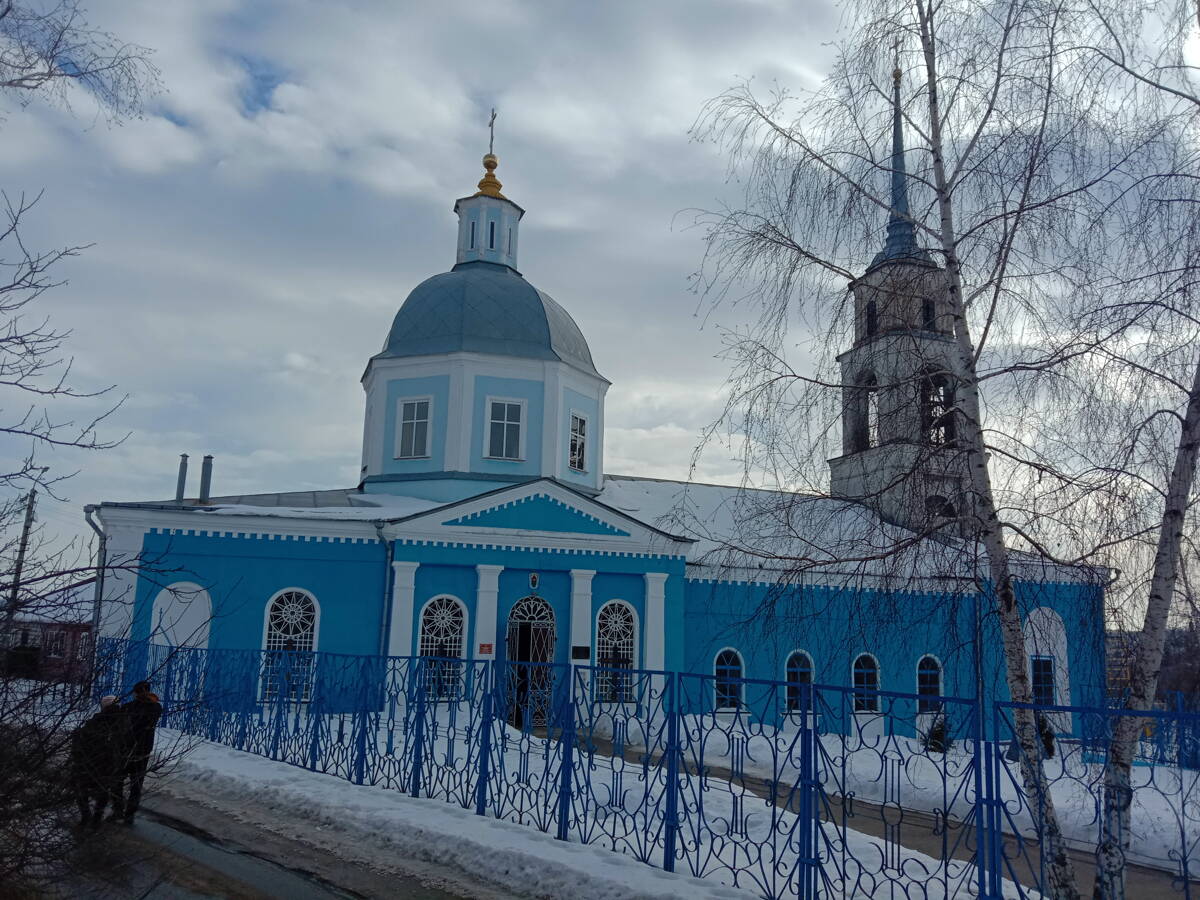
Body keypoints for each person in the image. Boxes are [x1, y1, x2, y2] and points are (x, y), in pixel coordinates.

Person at [69, 695, 125, 829]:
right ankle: (97, 818)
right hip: (111, 761)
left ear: (104, 707)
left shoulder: (97, 720)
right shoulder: (124, 721)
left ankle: (86, 816)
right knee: (103, 790)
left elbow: (81, 739)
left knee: (81, 788)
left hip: (92, 760)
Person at [117, 680, 162, 823]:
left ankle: (122, 811)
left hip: (132, 750)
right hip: (139, 750)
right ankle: (126, 813)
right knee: (134, 784)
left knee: (120, 781)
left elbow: (132, 723)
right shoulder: (154, 707)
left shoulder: (133, 707)